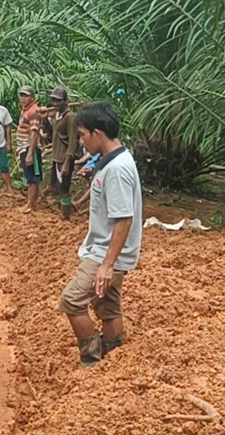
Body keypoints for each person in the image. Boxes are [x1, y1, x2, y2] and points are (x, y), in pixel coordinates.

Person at [57, 102, 142, 369]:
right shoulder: (115, 160)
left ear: (98, 133)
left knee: (71, 300)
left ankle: (92, 357)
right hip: (110, 252)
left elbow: (124, 219)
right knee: (107, 307)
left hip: (106, 254)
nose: (81, 141)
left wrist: (106, 265)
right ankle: (115, 356)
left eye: (82, 135)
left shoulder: (116, 170)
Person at [46, 87, 78, 219]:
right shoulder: (57, 115)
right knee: (54, 187)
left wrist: (67, 162)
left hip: (64, 158)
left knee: (64, 189)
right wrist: (44, 120)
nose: (55, 103)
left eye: (58, 101)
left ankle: (66, 216)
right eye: (53, 100)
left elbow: (73, 140)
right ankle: (62, 210)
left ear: (65, 101)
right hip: (56, 157)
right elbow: (52, 134)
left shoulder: (70, 117)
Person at [16, 86, 44, 212]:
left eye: (26, 96)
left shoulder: (33, 112)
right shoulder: (26, 110)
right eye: (21, 95)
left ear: (32, 98)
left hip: (29, 147)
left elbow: (34, 134)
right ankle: (32, 203)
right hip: (24, 146)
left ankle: (30, 204)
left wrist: (30, 154)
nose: (23, 98)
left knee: (32, 177)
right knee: (31, 176)